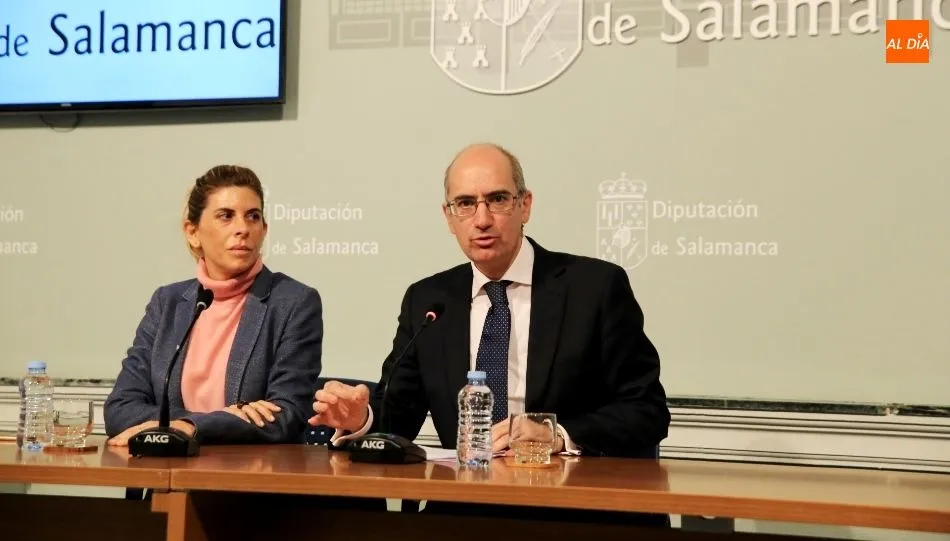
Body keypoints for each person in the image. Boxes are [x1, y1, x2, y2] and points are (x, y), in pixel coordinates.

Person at [310, 143, 670, 525]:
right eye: (465, 204)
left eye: (497, 199)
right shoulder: (428, 300)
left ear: (525, 206)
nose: (481, 219)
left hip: (571, 511)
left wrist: (556, 434)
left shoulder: (594, 288)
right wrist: (360, 419)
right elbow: (397, 415)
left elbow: (646, 410)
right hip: (464, 511)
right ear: (449, 217)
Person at [104, 165, 323, 446]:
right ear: (193, 232)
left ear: (264, 230)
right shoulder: (167, 303)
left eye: (253, 216)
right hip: (169, 467)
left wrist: (189, 426)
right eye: (226, 216)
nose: (243, 229)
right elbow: (120, 409)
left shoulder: (293, 302)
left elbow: (286, 415)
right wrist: (211, 421)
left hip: (253, 471)